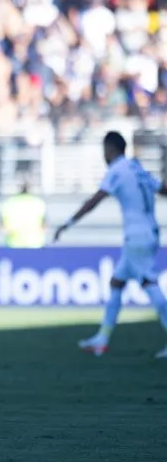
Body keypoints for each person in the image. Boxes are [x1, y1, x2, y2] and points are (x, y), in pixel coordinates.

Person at [54, 131, 167, 359]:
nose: (103, 155)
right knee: (117, 282)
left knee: (149, 283)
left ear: (111, 148)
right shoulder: (137, 168)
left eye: (104, 150)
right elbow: (163, 190)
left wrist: (68, 223)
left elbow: (95, 200)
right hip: (147, 232)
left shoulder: (117, 170)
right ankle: (102, 339)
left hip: (137, 235)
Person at [0, 182, 46, 248]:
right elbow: (44, 226)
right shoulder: (39, 202)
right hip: (35, 243)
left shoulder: (8, 202)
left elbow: (2, 226)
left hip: (13, 243)